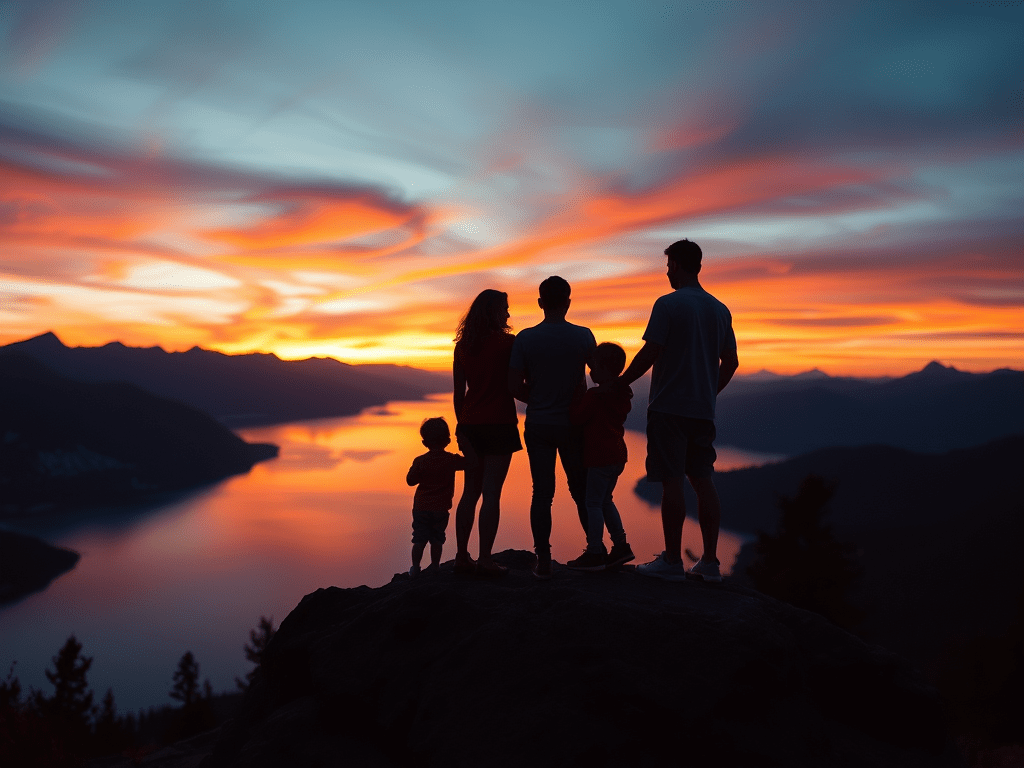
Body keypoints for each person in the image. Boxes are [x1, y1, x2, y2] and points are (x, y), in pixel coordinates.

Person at [619, 239, 738, 582]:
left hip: (668, 408)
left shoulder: (668, 304)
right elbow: (730, 362)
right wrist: (708, 394)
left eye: (669, 266)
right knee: (703, 480)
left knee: (671, 482)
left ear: (681, 266)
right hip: (702, 411)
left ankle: (672, 561)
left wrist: (621, 382)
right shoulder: (719, 309)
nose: (667, 273)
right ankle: (710, 563)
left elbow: (651, 351)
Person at [508, 276, 596, 579]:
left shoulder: (525, 338)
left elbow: (513, 386)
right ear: (568, 302)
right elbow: (599, 375)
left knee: (542, 493)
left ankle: (543, 559)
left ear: (540, 303)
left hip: (539, 424)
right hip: (573, 424)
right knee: (582, 491)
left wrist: (538, 399)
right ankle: (595, 550)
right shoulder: (584, 336)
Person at [452, 289, 522, 577]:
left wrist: (461, 427)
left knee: (470, 492)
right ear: (493, 312)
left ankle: (461, 556)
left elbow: (459, 393)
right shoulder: (509, 344)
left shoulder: (462, 346)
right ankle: (485, 559)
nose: (508, 314)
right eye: (504, 308)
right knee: (492, 494)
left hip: (470, 425)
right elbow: (517, 384)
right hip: (500, 424)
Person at [566, 342, 636, 571]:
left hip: (599, 457)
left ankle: (595, 552)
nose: (590, 371)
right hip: (617, 455)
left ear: (604, 368)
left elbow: (577, 418)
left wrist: (570, 402)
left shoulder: (594, 395)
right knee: (606, 500)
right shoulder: (622, 394)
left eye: (593, 367)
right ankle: (621, 546)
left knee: (593, 503)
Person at [406, 417, 466, 576]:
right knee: (437, 539)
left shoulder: (420, 461)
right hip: (441, 508)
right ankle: (434, 566)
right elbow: (469, 463)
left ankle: (415, 568)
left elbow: (410, 481)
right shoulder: (451, 460)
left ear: (424, 442)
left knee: (419, 539)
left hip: (421, 508)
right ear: (448, 440)